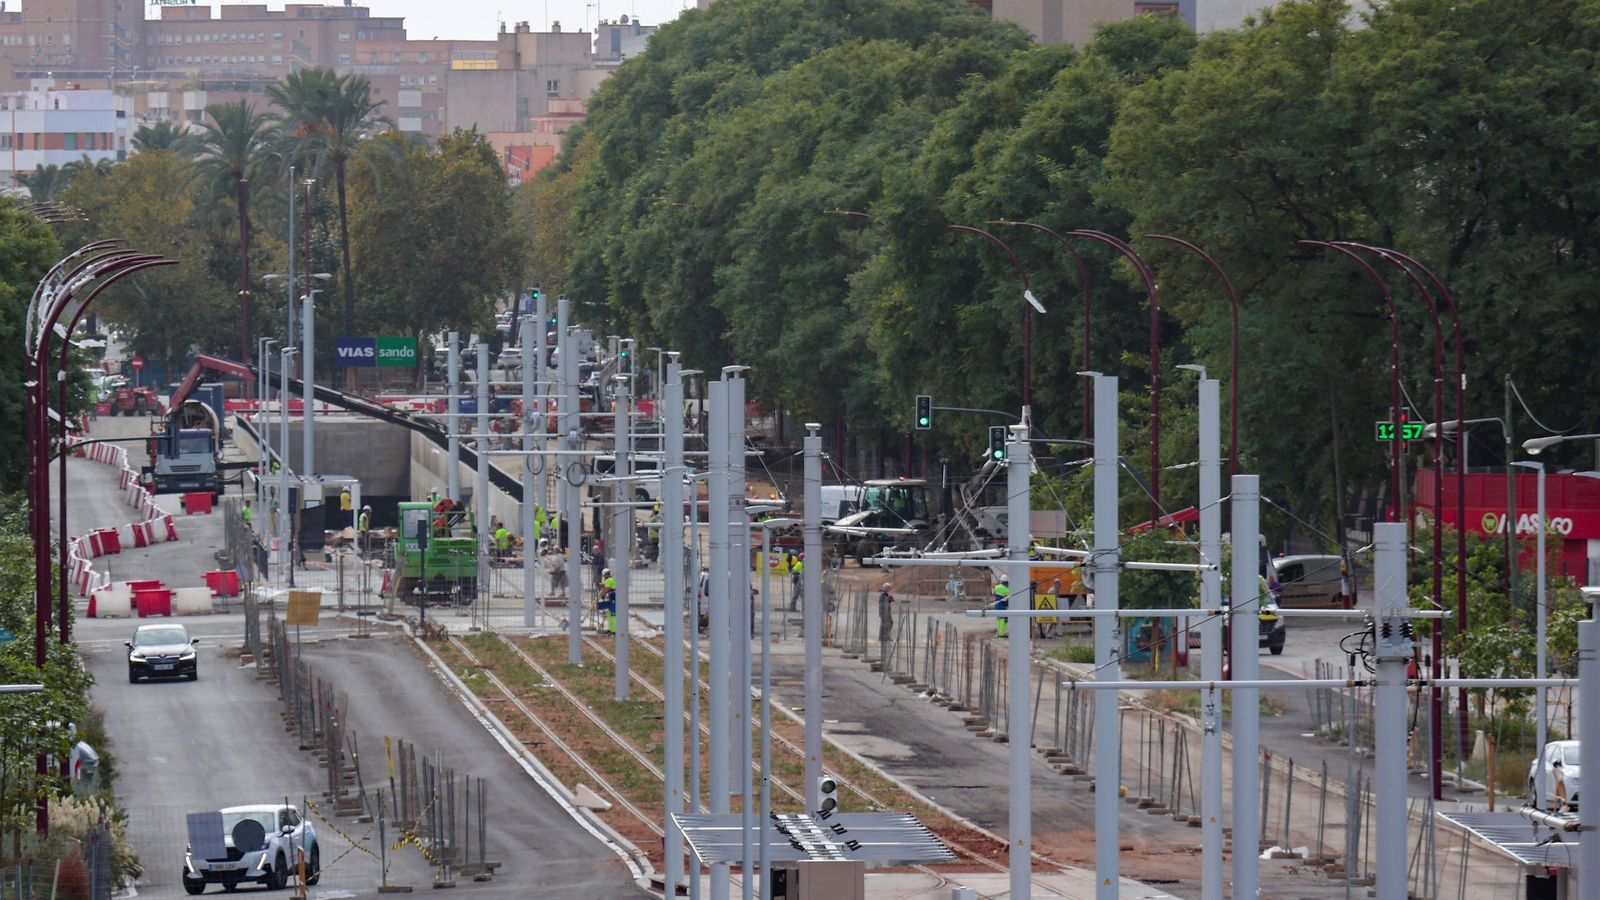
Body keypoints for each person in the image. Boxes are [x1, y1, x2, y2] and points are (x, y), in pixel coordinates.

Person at [990, 573, 1011, 639]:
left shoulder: (996, 587)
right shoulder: (1007, 589)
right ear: (1007, 582)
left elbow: (993, 593)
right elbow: (1008, 597)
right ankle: (1002, 634)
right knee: (1004, 618)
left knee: (999, 618)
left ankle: (999, 632)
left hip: (996, 604)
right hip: (1002, 605)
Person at [598, 568, 618, 634]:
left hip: (614, 599)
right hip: (612, 599)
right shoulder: (609, 580)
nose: (603, 577)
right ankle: (611, 629)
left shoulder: (609, 580)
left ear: (606, 575)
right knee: (610, 615)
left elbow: (606, 589)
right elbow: (605, 587)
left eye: (603, 575)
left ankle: (614, 630)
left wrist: (601, 596)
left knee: (613, 615)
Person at [878, 581, 895, 646]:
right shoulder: (883, 594)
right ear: (885, 588)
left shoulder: (886, 594)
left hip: (886, 611)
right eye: (889, 588)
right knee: (886, 624)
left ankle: (884, 636)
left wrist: (890, 596)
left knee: (888, 623)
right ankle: (883, 636)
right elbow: (885, 602)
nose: (890, 589)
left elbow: (891, 600)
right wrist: (889, 597)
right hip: (884, 612)